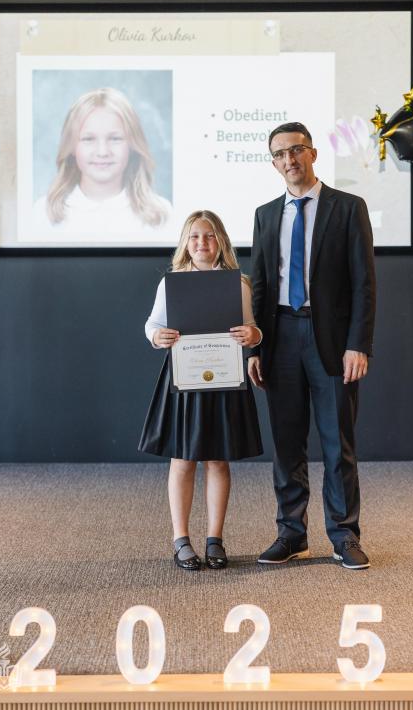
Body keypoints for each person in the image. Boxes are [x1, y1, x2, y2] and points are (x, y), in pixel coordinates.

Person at [248, 122, 376, 570]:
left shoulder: (348, 208)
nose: (289, 160)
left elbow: (364, 284)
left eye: (296, 150)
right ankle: (291, 533)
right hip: (279, 337)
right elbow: (260, 287)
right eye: (280, 154)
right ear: (273, 163)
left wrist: (358, 344)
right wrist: (254, 350)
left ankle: (344, 535)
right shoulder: (266, 215)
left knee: (337, 443)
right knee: (287, 444)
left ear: (313, 153)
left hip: (333, 344)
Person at [139, 210, 264, 570]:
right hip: (185, 380)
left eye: (209, 235)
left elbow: (253, 328)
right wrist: (157, 336)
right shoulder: (173, 283)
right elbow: (152, 324)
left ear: (220, 241)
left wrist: (253, 335)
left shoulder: (238, 284)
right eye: (194, 236)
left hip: (224, 379)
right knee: (182, 460)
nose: (202, 242)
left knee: (218, 459)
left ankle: (214, 540)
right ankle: (181, 540)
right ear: (185, 242)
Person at [31, 87, 172, 241]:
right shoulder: (42, 214)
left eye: (115, 139)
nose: (103, 152)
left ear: (132, 146)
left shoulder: (161, 215)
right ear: (71, 147)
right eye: (88, 139)